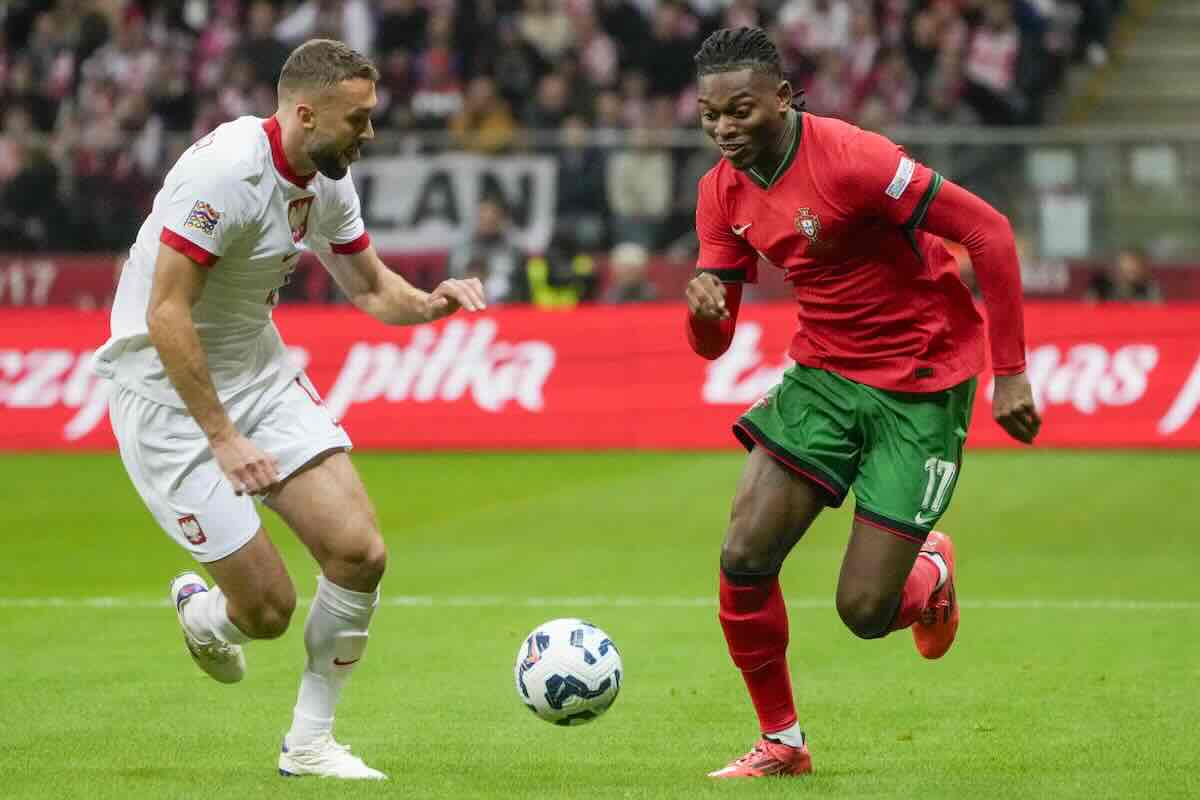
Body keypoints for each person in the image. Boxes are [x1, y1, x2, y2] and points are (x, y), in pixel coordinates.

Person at [91, 39, 485, 780]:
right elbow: (167, 312)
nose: (369, 135)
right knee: (267, 612)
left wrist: (430, 305)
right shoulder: (224, 174)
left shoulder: (324, 176)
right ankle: (203, 615)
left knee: (360, 552)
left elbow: (369, 288)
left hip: (258, 372)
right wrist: (225, 439)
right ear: (306, 113)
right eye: (359, 120)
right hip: (168, 397)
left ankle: (309, 745)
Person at [683, 28, 1040, 779]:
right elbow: (713, 347)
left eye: (739, 110)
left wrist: (1010, 372)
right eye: (710, 115)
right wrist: (706, 312)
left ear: (781, 99)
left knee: (865, 613)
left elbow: (989, 231)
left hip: (923, 381)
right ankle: (782, 742)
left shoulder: (853, 159)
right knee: (742, 555)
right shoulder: (721, 191)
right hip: (824, 374)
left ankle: (930, 577)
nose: (724, 129)